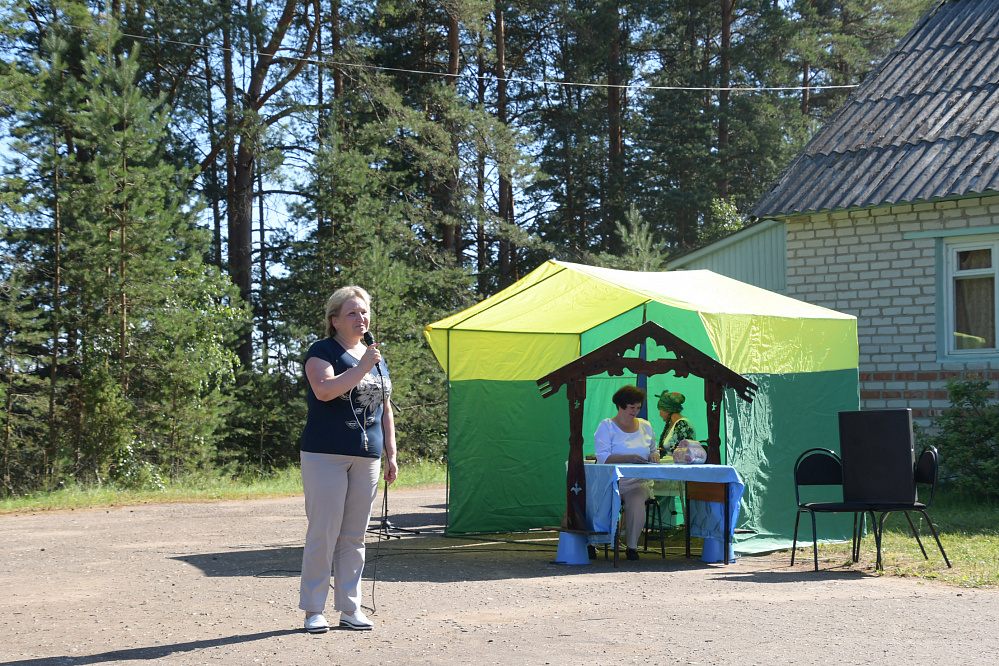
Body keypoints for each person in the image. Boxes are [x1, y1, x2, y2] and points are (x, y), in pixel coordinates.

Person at [299, 286, 398, 634]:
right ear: (335, 320)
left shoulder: (374, 356)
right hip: (325, 454)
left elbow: (385, 407)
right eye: (352, 313)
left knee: (355, 536)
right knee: (324, 533)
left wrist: (391, 453)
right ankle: (313, 610)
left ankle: (350, 608)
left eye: (365, 312)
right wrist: (363, 366)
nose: (361, 318)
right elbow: (325, 390)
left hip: (367, 457)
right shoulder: (322, 351)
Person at [594, 385, 659, 561]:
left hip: (637, 482)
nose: (635, 411)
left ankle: (632, 546)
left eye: (638, 407)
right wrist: (630, 458)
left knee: (637, 502)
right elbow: (603, 458)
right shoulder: (606, 426)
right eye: (631, 407)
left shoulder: (646, 426)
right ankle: (593, 543)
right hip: (610, 481)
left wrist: (654, 454)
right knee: (602, 503)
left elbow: (654, 449)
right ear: (620, 406)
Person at [656, 390, 696, 458]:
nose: (660, 415)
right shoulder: (672, 425)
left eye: (660, 411)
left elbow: (682, 452)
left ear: (666, 411)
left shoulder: (682, 424)